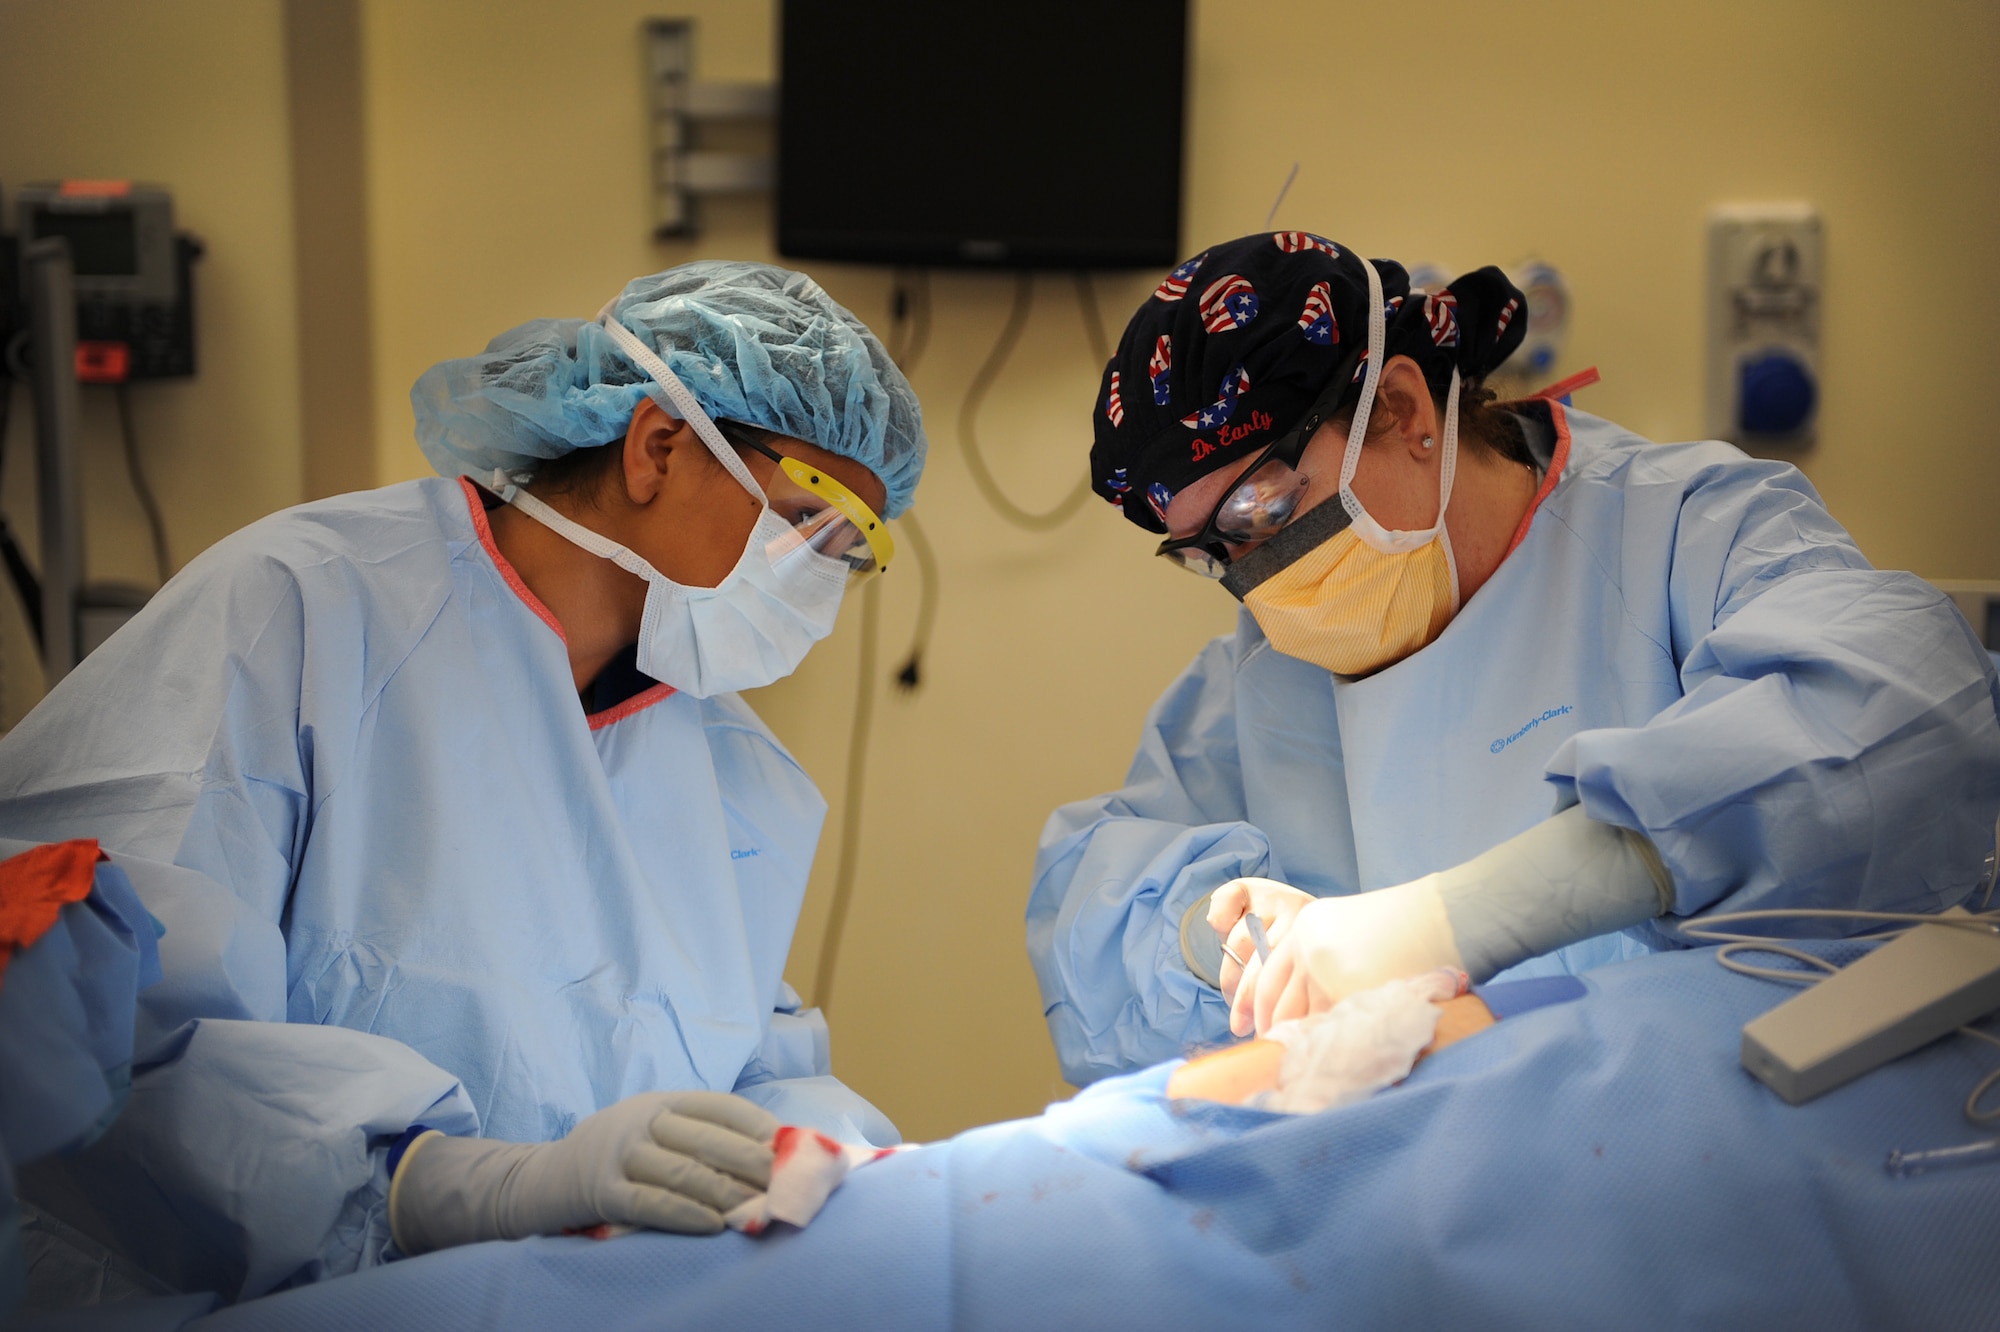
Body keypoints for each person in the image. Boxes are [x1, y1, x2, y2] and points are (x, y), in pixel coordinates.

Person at [0, 261, 924, 1294]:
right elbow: (99, 1022)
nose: (815, 577)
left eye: (851, 552)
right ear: (658, 446)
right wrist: (450, 1188)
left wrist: (834, 1163)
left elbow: (741, 1058)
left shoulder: (734, 769)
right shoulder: (304, 610)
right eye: (811, 519)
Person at [1026, 231, 2000, 1085]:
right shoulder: (1261, 678)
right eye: (1207, 550)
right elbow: (1090, 903)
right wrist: (1220, 940)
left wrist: (1458, 919)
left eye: (1262, 510)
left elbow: (1897, 709)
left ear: (1402, 409)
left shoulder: (1676, 534)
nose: (1253, 574)